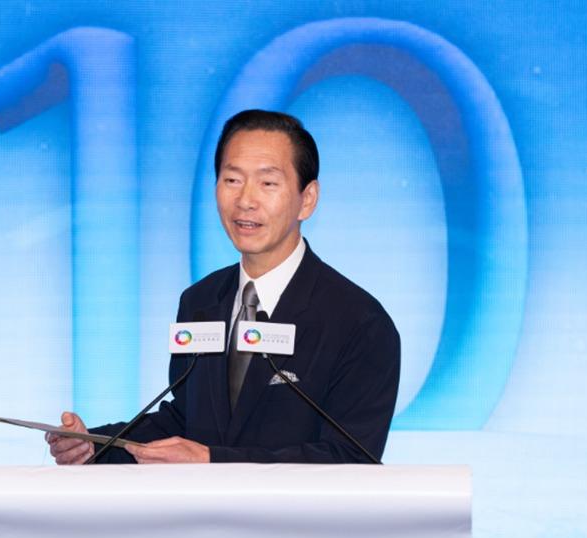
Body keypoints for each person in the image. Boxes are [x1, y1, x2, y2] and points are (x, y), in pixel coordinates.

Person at [47, 109, 400, 465]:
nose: (245, 200)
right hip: (199, 504)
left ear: (306, 199)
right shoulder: (201, 301)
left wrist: (213, 461)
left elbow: (351, 458)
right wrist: (95, 445)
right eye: (232, 180)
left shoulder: (359, 322)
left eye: (267, 183)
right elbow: (185, 419)